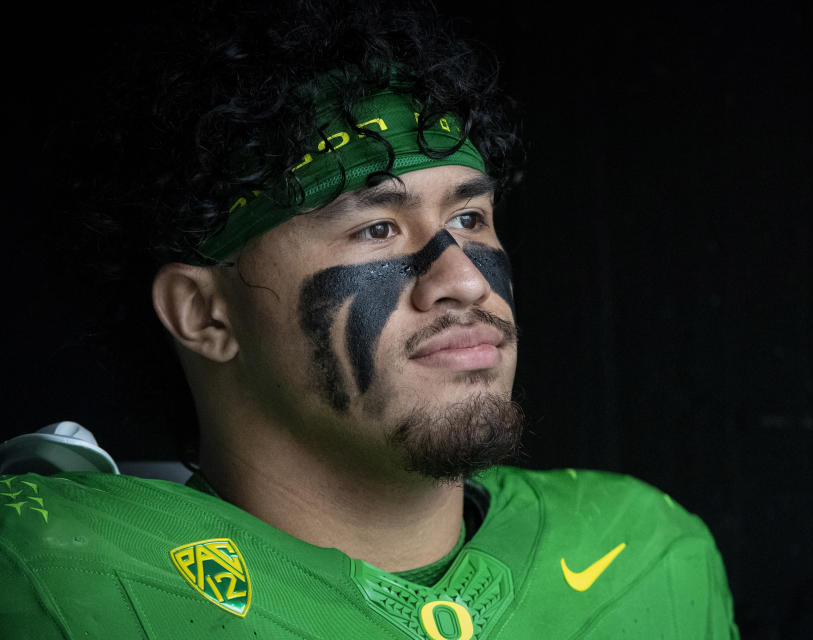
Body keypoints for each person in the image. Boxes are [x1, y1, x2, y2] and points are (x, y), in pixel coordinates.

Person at [0, 1, 739, 637]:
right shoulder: (53, 574)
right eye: (376, 228)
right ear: (203, 315)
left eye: (471, 217)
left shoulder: (650, 554)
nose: (463, 280)